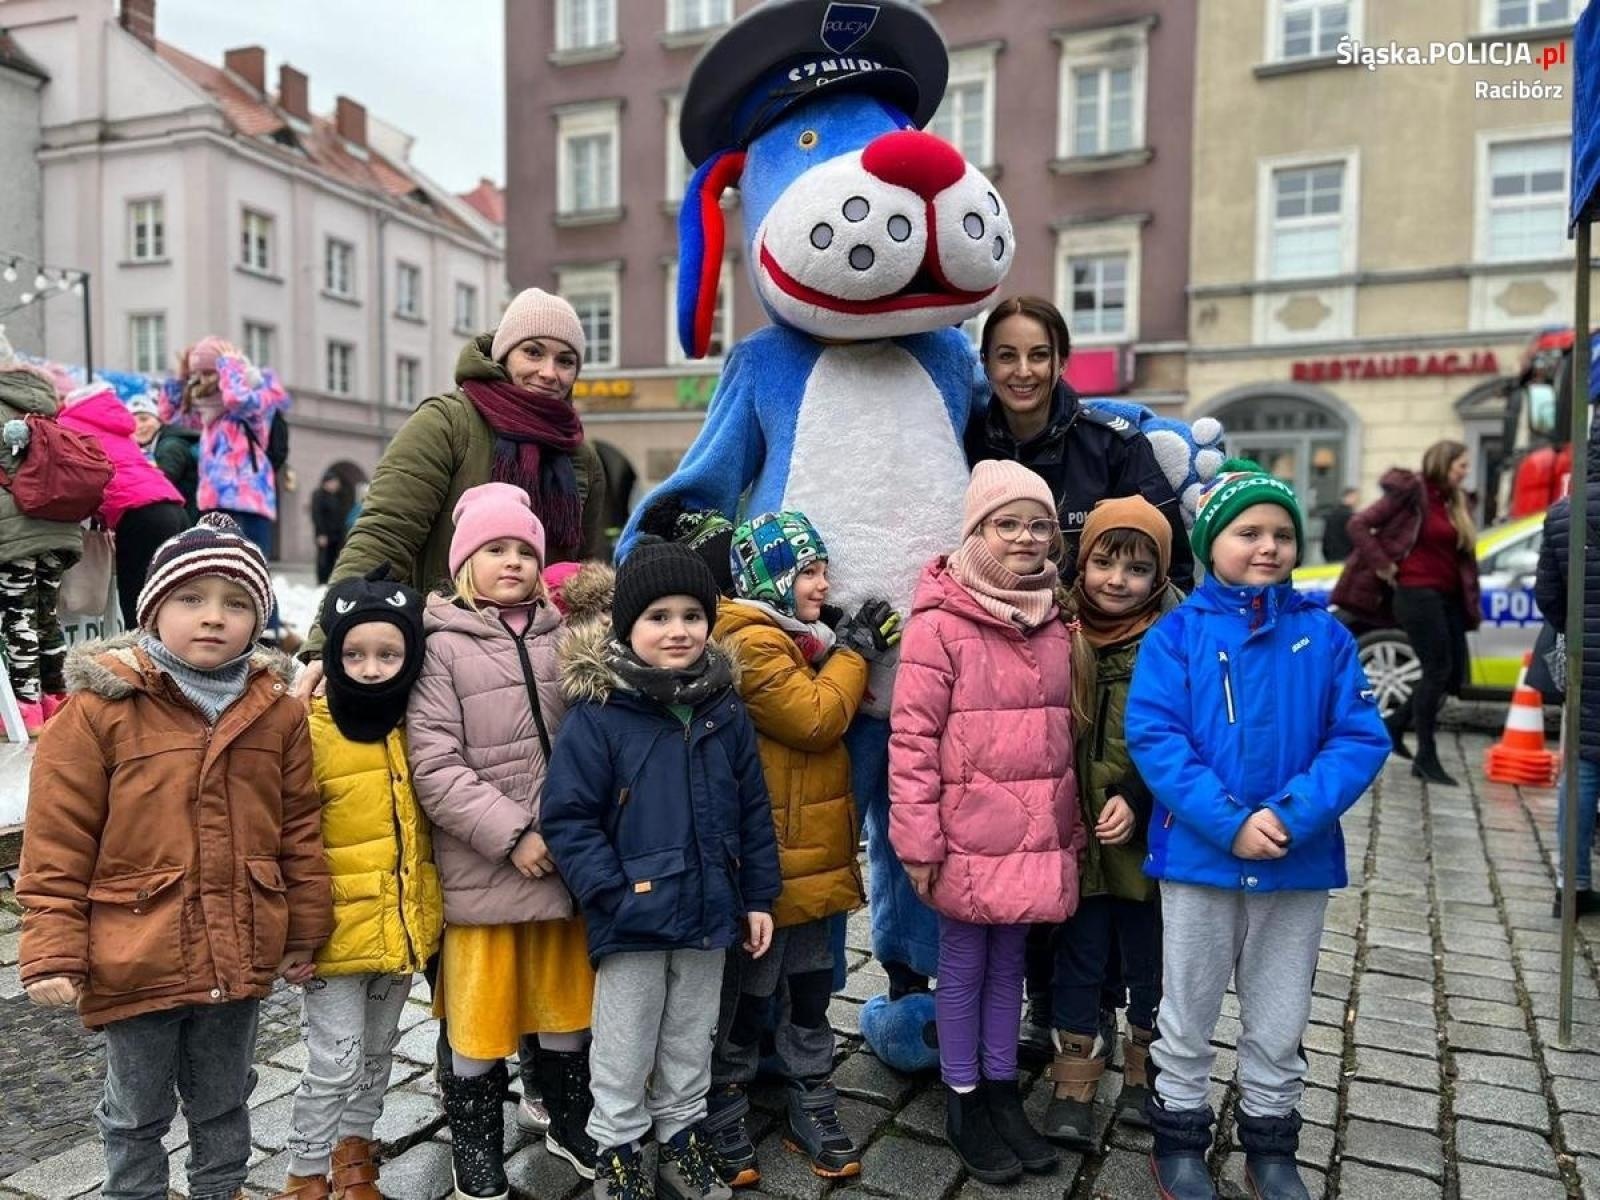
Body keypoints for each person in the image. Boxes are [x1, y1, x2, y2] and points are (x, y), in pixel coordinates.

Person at [16, 513, 332, 1200]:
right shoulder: (103, 708)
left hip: (238, 947)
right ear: (154, 608)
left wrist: (302, 931)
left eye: (237, 603)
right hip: (136, 949)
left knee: (224, 1103)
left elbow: (299, 826)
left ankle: (220, 1191)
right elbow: (58, 838)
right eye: (192, 599)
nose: (214, 618)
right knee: (135, 1115)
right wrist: (51, 947)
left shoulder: (275, 712)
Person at [1126, 460, 1389, 1200]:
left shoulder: (1325, 639)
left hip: (1294, 865)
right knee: (1189, 1006)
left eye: (1281, 533)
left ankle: (1270, 1142)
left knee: (1279, 1012)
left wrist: (1292, 815)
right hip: (1202, 861)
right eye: (1248, 532)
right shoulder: (1176, 636)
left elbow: (1359, 737)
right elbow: (1157, 737)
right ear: (1212, 543)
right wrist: (1229, 822)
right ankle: (1179, 1131)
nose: (1267, 546)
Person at [543, 542, 782, 1200]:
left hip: (710, 907)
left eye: (690, 615)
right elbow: (568, 817)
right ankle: (618, 1145)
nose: (677, 630)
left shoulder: (723, 707)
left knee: (689, 1035)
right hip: (633, 914)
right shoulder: (600, 714)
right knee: (625, 1040)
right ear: (627, 627)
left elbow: (753, 808)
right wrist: (610, 894)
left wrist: (757, 895)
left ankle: (681, 1135)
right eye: (658, 617)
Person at [888, 460, 1082, 1185]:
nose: (1026, 538)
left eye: (1038, 524)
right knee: (965, 970)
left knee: (1011, 972)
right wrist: (916, 839)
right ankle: (964, 1097)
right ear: (977, 531)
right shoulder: (941, 622)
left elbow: (1066, 733)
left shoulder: (1057, 617)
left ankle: (1002, 1092)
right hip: (966, 834)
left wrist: (1072, 829)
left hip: (1034, 831)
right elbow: (912, 740)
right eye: (1008, 523)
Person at [405, 482, 599, 1198]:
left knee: (565, 1010)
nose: (512, 561)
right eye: (494, 549)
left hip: (564, 865)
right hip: (485, 873)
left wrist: (572, 829)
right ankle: (476, 1147)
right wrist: (513, 833)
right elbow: (435, 764)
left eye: (524, 549)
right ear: (464, 564)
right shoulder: (440, 649)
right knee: (479, 1023)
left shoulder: (567, 638)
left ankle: (569, 1117)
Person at [705, 512, 901, 1186]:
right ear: (770, 579)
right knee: (749, 988)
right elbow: (815, 720)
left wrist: (835, 646)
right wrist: (854, 652)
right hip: (772, 855)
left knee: (811, 983)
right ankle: (723, 1097)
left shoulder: (801, 638)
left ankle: (811, 1089)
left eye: (824, 570)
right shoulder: (749, 640)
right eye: (809, 572)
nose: (823, 585)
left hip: (813, 848)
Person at [298, 288, 610, 664]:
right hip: (441, 659)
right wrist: (326, 645)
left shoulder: (580, 456)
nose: (549, 372)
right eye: (533, 352)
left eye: (565, 361)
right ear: (504, 353)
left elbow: (585, 573)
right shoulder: (446, 423)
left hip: (541, 667)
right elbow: (383, 536)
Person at [275, 569, 441, 1200]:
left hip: (401, 925)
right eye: (355, 654)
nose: (372, 668)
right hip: (335, 936)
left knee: (378, 1054)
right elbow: (288, 836)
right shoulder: (310, 729)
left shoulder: (420, 722)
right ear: (333, 655)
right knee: (332, 1061)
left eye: (389, 654)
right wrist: (296, 930)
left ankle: (355, 1158)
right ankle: (304, 1171)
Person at [1043, 496, 1181, 1148]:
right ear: (1083, 561)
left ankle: (1144, 1073)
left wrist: (1139, 795)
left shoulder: (1174, 638)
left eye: (1136, 568)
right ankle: (1073, 1080)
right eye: (1104, 562)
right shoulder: (1059, 627)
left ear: (1159, 575)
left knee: (1148, 957)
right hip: (1074, 830)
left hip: (1144, 834)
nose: (1117, 581)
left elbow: (1181, 737)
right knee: (1079, 955)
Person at [965, 296, 1192, 587]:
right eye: (1007, 356)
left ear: (1061, 362)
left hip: (1095, 631)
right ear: (985, 364)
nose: (1023, 371)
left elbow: (1173, 570)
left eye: (1039, 355)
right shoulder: (965, 444)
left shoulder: (1116, 446)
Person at [1331, 441, 1480, 784]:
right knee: (1436, 671)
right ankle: (1425, 756)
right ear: (1443, 463)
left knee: (1452, 675)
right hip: (1415, 594)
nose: (1466, 471)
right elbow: (1358, 524)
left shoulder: (1455, 501)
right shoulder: (1413, 493)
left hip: (1448, 598)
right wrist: (1383, 565)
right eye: (1461, 464)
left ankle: (1394, 726)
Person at [58, 383, 189, 629]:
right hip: (173, 509)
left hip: (141, 516)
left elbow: (77, 480)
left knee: (138, 606)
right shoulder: (116, 424)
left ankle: (145, 665)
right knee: (173, 597)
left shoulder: (68, 424)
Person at [1536, 419, 1600, 916]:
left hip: (1586, 660)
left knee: (1580, 770)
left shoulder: (1563, 513)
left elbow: (1548, 596)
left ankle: (1572, 886)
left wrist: (1575, 633)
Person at [0, 362, 85, 734]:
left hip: (17, 530)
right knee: (45, 615)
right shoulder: (48, 409)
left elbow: (10, 468)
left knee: (17, 616)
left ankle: (25, 707)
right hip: (59, 528)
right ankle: (55, 698)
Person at [158, 337, 288, 556]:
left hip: (248, 503)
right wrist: (181, 379)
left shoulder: (258, 396)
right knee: (217, 573)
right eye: (197, 374)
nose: (201, 380)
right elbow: (169, 415)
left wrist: (228, 363)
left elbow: (237, 400)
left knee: (250, 572)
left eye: (208, 373)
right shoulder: (208, 411)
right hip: (213, 501)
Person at [132, 392, 201, 523]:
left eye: (144, 419)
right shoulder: (168, 440)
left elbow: (163, 483)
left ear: (158, 420)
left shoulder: (170, 446)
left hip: (190, 519)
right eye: (133, 422)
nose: (139, 427)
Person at [311, 471, 351, 585]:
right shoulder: (318, 495)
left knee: (335, 558)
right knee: (324, 559)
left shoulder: (338, 496)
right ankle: (322, 582)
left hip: (337, 535)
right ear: (326, 483)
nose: (336, 485)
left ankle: (332, 581)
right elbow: (317, 515)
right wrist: (320, 533)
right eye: (333, 482)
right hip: (324, 534)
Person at [1319, 487, 1359, 563]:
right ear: (1351, 497)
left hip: (1330, 554)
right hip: (1346, 555)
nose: (1357, 501)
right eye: (1356, 498)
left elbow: (1326, 536)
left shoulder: (1332, 513)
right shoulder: (1351, 516)